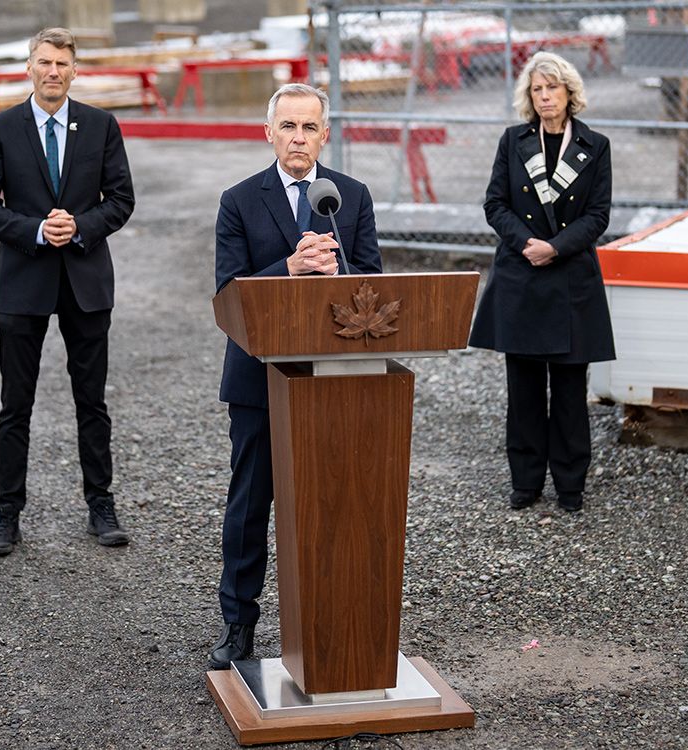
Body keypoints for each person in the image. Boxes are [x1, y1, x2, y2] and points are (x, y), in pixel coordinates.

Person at [209, 83, 383, 669]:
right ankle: (238, 625)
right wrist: (289, 266)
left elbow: (375, 285)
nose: (298, 138)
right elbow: (228, 292)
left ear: (325, 135)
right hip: (258, 377)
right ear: (269, 132)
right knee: (250, 504)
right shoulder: (238, 200)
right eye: (288, 127)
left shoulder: (349, 197)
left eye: (309, 128)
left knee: (336, 505)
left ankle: (332, 626)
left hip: (334, 378)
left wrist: (339, 269)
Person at [0, 27, 136, 555]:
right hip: (24, 283)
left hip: (86, 282)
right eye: (45, 62)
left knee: (92, 401)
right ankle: (6, 513)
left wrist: (80, 226)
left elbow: (122, 199)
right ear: (29, 67)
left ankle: (100, 505)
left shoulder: (102, 126)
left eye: (63, 63)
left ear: (74, 70)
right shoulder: (0, 129)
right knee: (15, 404)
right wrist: (38, 231)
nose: (53, 72)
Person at [469, 51, 615, 513]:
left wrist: (556, 246)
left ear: (570, 92)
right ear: (528, 97)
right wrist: (529, 242)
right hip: (522, 276)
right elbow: (495, 204)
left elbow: (598, 215)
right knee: (524, 390)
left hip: (571, 280)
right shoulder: (513, 141)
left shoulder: (595, 146)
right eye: (537, 88)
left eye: (553, 87)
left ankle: (571, 485)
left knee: (571, 392)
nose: (545, 95)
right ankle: (526, 482)